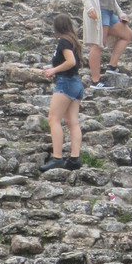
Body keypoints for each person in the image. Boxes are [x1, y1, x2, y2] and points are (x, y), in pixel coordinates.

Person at [40, 13, 84, 172]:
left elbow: (71, 62)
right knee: (73, 122)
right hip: (76, 83)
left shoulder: (64, 42)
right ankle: (74, 158)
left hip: (65, 82)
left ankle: (57, 157)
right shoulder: (74, 41)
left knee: (53, 119)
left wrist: (53, 70)